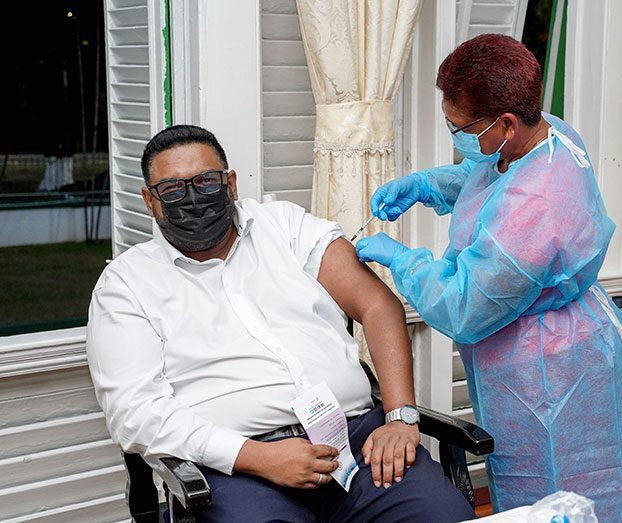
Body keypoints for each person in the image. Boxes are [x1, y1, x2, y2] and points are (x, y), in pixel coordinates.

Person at [86, 125, 474, 522]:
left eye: (205, 181)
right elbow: (133, 412)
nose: (192, 198)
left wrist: (400, 416)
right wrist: (257, 458)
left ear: (231, 183)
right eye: (172, 189)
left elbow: (377, 305)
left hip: (356, 443)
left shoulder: (286, 226)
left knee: (442, 514)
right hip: (235, 469)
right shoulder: (126, 284)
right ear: (150, 201)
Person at [355, 34, 622, 521]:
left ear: (507, 123)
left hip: (549, 371)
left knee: (554, 496)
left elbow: (463, 307)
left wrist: (401, 259)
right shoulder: (548, 134)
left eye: (459, 128)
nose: (456, 137)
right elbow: (490, 176)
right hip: (558, 341)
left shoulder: (536, 208)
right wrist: (428, 185)